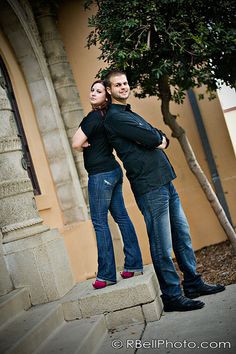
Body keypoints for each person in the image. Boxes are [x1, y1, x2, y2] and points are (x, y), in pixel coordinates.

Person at [103, 70, 225, 311]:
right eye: (118, 85)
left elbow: (157, 135)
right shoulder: (115, 118)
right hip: (149, 186)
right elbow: (151, 138)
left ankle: (192, 283)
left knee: (182, 235)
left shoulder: (129, 113)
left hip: (165, 180)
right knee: (162, 244)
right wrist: (155, 137)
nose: (124, 87)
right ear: (109, 90)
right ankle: (171, 295)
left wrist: (156, 137)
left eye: (126, 83)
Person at [72, 80, 143, 289]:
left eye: (99, 91)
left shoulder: (93, 117)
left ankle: (106, 275)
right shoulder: (109, 117)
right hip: (113, 171)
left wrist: (83, 143)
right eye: (92, 89)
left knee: (100, 223)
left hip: (100, 175)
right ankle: (134, 264)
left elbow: (76, 142)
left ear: (106, 96)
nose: (93, 93)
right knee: (121, 217)